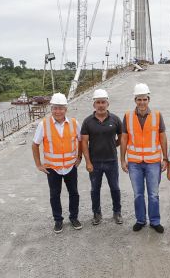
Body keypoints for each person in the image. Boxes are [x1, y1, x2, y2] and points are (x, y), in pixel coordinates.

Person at [120, 83, 168, 233]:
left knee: (153, 194)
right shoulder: (128, 116)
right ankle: (140, 220)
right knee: (138, 194)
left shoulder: (157, 116)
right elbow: (124, 139)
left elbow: (162, 138)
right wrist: (122, 159)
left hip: (153, 162)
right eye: (139, 99)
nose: (142, 102)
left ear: (149, 99)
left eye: (144, 99)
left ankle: (155, 221)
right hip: (134, 162)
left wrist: (165, 158)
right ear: (135, 100)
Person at [32, 92, 83, 233]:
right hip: (52, 168)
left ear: (66, 109)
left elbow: (81, 140)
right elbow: (35, 144)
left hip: (70, 166)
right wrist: (38, 164)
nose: (58, 111)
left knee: (74, 193)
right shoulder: (44, 124)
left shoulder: (74, 123)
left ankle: (74, 217)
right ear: (51, 109)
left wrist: (79, 157)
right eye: (55, 108)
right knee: (55, 195)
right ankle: (58, 220)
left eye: (61, 108)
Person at [81, 88, 123, 225]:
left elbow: (122, 138)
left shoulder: (115, 120)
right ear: (94, 104)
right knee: (95, 189)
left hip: (111, 161)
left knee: (115, 188)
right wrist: (88, 162)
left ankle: (117, 212)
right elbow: (84, 143)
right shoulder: (88, 122)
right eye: (98, 102)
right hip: (95, 162)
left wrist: (112, 145)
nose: (101, 105)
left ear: (107, 103)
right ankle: (96, 213)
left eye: (103, 102)